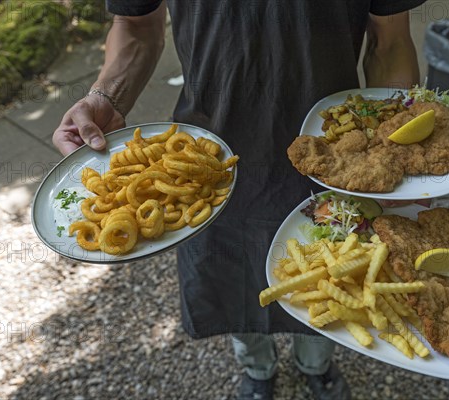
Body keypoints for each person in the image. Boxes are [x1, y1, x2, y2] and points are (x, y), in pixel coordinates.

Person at [52, 1, 425, 399]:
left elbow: (390, 41)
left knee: (338, 287)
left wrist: (394, 159)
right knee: (232, 291)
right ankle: (258, 371)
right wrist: (106, 96)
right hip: (202, 172)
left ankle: (316, 367)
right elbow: (136, 26)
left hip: (330, 162)